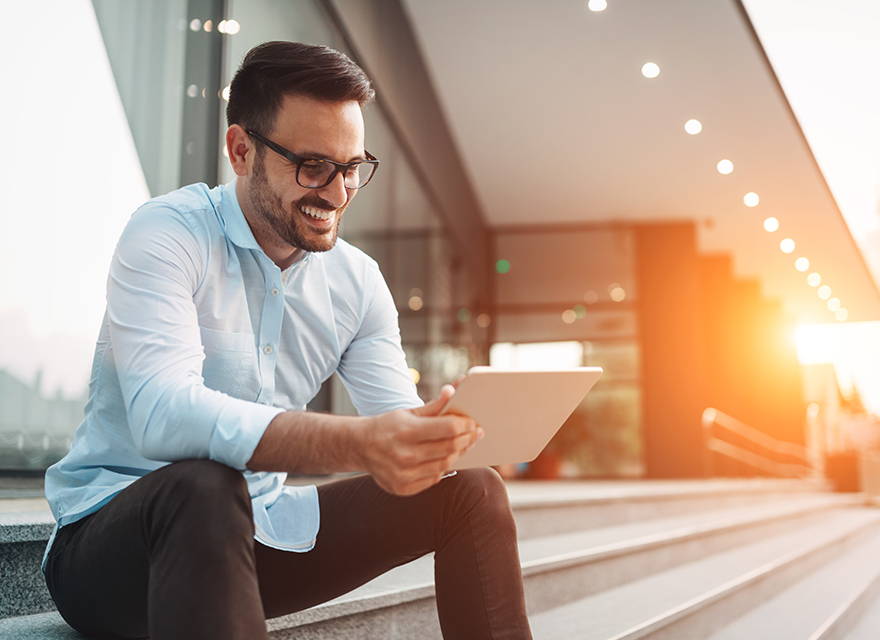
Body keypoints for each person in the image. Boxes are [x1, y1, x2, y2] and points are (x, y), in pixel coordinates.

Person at [41, 41, 533, 639]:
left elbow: (394, 426)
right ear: (241, 150)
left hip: (259, 535)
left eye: (352, 168)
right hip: (113, 547)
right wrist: (361, 443)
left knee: (471, 490)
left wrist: (442, 438)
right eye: (313, 166)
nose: (336, 192)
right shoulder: (168, 233)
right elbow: (162, 416)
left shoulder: (356, 281)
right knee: (204, 481)